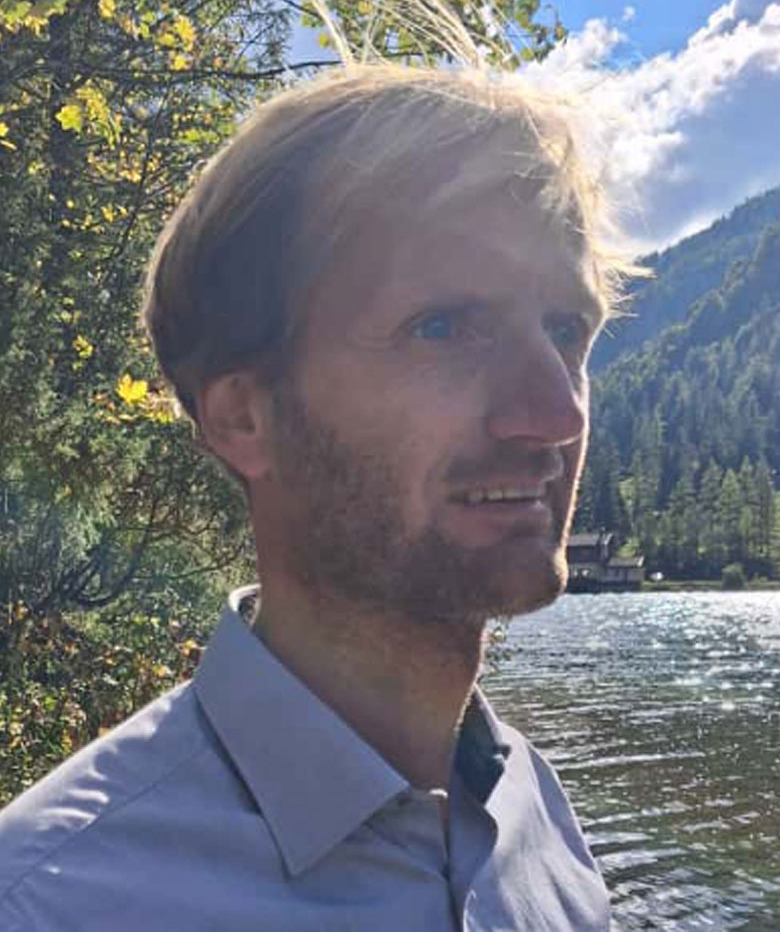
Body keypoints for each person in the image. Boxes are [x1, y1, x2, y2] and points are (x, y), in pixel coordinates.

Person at [0, 55, 630, 930]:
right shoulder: (52, 901)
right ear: (244, 418)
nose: (556, 414)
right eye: (443, 327)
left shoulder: (533, 810)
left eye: (566, 330)